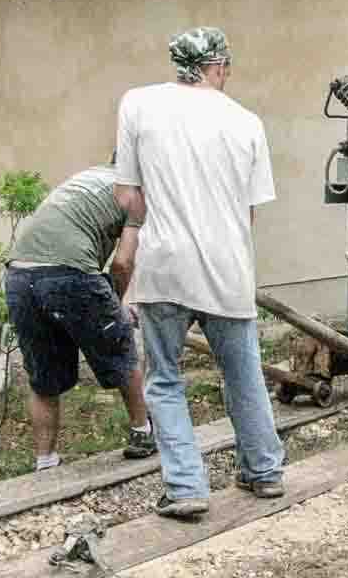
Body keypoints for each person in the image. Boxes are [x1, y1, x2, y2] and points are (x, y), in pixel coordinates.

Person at [114, 26, 283, 520]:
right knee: (243, 371)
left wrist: (165, 211)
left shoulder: (138, 104)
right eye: (226, 68)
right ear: (217, 66)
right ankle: (264, 471)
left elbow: (127, 195)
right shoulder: (246, 121)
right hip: (228, 264)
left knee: (165, 378)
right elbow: (250, 212)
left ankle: (187, 487)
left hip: (166, 265)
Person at [4, 155, 156, 471]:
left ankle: (45, 461)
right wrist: (115, 305)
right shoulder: (136, 193)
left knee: (43, 376)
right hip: (68, 272)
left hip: (19, 275)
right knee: (122, 348)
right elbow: (122, 262)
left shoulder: (88, 178)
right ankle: (143, 434)